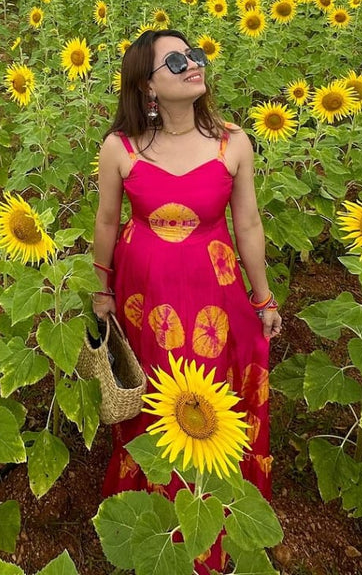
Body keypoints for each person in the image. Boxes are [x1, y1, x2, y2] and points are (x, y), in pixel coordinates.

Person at [92, 28, 282, 574]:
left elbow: (247, 223)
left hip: (214, 297)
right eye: (174, 61)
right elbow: (107, 220)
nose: (192, 64)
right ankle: (151, 521)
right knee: (153, 397)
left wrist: (264, 298)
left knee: (210, 397)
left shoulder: (233, 142)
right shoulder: (121, 149)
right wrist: (101, 288)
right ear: (147, 86)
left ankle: (212, 521)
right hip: (143, 298)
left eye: (195, 54)